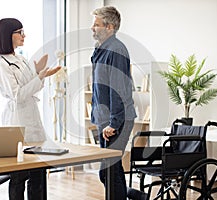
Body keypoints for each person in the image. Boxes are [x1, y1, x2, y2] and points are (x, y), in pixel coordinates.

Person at [0, 18, 61, 200]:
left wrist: (40, 74)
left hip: (31, 117)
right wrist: (39, 76)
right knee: (19, 176)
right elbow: (17, 95)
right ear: (8, 35)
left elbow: (34, 86)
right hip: (17, 120)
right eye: (20, 32)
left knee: (38, 172)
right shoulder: (1, 64)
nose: (24, 36)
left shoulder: (21, 59)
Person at [90, 6, 137, 200]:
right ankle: (135, 196)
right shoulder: (103, 48)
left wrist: (113, 123)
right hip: (106, 121)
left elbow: (119, 89)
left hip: (117, 121)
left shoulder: (116, 49)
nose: (92, 28)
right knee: (112, 170)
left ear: (109, 27)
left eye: (96, 24)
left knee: (108, 172)